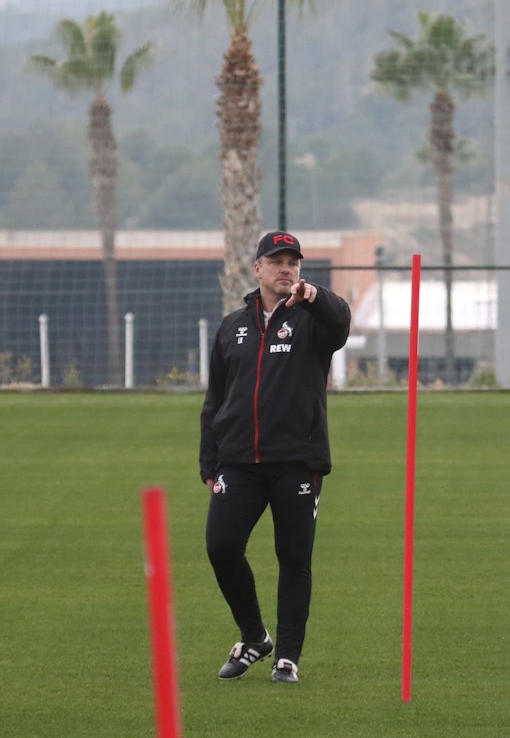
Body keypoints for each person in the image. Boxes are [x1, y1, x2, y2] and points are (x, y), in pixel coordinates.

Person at [199, 230, 351, 684]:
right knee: (221, 546)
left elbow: (341, 323)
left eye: (294, 262)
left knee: (293, 556)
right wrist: (210, 461)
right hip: (238, 462)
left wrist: (316, 296)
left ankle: (286, 656)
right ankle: (254, 637)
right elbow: (216, 399)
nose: (287, 269)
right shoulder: (233, 326)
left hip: (296, 461)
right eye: (278, 261)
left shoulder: (313, 321)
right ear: (258, 269)